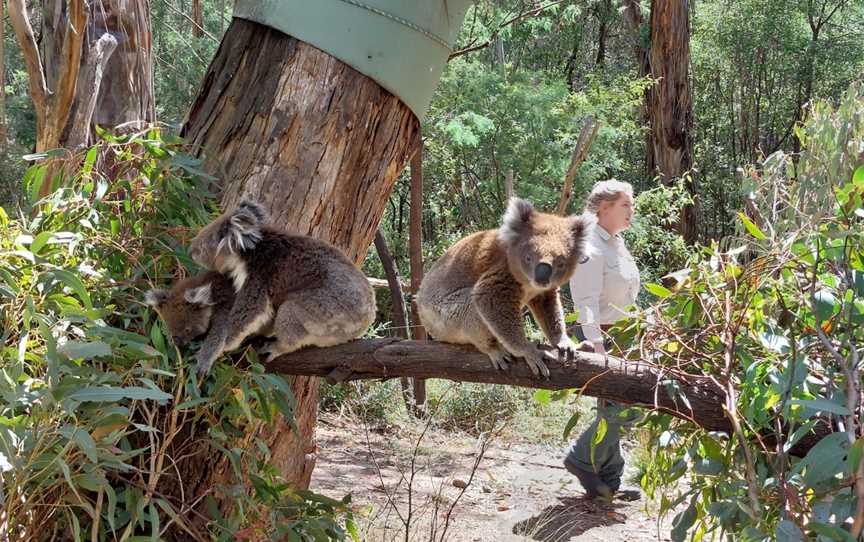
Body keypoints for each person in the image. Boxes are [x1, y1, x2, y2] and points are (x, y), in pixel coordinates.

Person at [563, 179, 641, 501]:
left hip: (622, 331)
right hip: (603, 335)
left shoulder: (615, 241)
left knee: (614, 407)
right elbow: (586, 300)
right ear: (604, 207)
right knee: (625, 407)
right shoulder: (590, 244)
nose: (631, 210)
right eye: (626, 204)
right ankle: (581, 459)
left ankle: (608, 478)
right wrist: (598, 347)